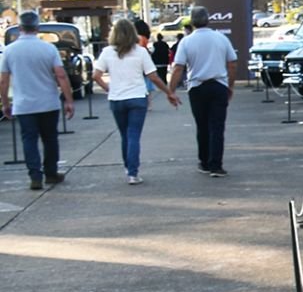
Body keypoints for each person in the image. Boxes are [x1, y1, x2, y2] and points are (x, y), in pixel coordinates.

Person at [94, 17, 179, 183]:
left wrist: (108, 89)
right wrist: (169, 92)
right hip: (137, 98)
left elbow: (96, 76)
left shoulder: (107, 52)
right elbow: (153, 76)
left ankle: (128, 167)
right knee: (134, 134)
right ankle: (133, 172)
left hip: (117, 99)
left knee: (124, 134)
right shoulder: (140, 52)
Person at [0, 10, 76, 190]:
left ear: (20, 28)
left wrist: (5, 103)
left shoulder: (9, 51)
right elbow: (61, 75)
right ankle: (50, 172)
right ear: (37, 27)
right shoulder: (48, 48)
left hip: (24, 104)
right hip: (48, 102)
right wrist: (69, 100)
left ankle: (35, 175)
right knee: (50, 138)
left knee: (29, 139)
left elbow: (3, 80)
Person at [167, 6, 239, 177]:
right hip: (218, 85)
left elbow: (178, 68)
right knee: (217, 126)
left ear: (192, 22)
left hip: (197, 87)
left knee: (202, 126)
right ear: (208, 19)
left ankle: (204, 161)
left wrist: (171, 90)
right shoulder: (221, 38)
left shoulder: (186, 41)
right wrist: (230, 85)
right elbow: (232, 63)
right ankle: (216, 165)